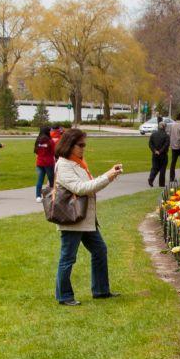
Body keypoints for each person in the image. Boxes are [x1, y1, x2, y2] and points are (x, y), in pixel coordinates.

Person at [51, 126, 123, 305]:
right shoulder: (64, 165)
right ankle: (64, 296)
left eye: (84, 145)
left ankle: (100, 290)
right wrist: (108, 176)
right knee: (68, 257)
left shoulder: (77, 163)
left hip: (84, 219)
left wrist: (109, 175)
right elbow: (81, 188)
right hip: (73, 219)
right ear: (69, 145)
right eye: (80, 145)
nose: (83, 148)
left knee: (100, 250)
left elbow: (87, 184)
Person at [33, 125, 58, 198]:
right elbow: (54, 152)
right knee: (51, 180)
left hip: (39, 162)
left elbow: (36, 151)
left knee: (40, 180)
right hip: (48, 163)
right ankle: (51, 194)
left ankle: (38, 196)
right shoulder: (50, 141)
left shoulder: (38, 141)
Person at [147, 116, 172, 185]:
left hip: (155, 154)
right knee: (162, 170)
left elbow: (150, 144)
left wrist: (154, 150)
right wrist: (160, 151)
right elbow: (166, 145)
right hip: (163, 155)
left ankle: (151, 179)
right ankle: (161, 184)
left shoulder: (153, 134)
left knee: (154, 167)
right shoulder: (166, 136)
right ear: (164, 127)